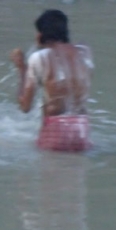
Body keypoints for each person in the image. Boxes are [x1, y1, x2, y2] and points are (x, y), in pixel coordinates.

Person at [10, 10, 93, 152]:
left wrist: (22, 68)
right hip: (82, 129)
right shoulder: (84, 52)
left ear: (40, 34)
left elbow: (25, 107)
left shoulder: (39, 57)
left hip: (56, 130)